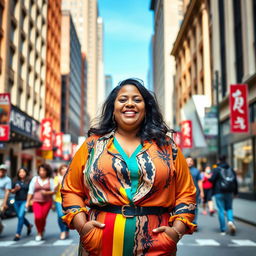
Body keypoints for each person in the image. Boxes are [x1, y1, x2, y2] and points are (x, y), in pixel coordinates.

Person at [61, 78, 197, 256]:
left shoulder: (167, 146)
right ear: (113, 107)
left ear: (146, 107)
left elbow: (186, 192)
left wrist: (175, 232)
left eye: (137, 100)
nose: (130, 104)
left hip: (157, 245)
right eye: (123, 99)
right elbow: (70, 189)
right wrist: (83, 227)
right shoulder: (93, 144)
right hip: (99, 244)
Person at [208, 155, 238, 235]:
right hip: (229, 192)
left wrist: (208, 177)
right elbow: (235, 181)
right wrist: (235, 193)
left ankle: (223, 229)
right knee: (229, 208)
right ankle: (230, 221)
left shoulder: (217, 169)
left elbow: (212, 180)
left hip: (218, 192)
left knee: (220, 210)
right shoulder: (231, 169)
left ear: (218, 160)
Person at [26, 164, 55, 241]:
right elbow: (30, 191)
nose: (42, 172)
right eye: (40, 170)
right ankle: (39, 232)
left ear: (47, 171)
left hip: (47, 202)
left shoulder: (50, 180)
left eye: (44, 170)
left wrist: (47, 193)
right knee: (38, 217)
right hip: (36, 201)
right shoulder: (35, 179)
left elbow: (53, 191)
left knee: (43, 218)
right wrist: (27, 202)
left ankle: (41, 230)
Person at [10, 167, 33, 241]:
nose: (21, 173)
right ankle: (29, 225)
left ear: (26, 173)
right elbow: (12, 191)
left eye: (23, 172)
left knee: (20, 216)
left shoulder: (29, 181)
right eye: (20, 172)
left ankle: (17, 234)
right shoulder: (15, 180)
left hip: (24, 201)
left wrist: (29, 201)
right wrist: (15, 189)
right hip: (16, 201)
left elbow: (31, 191)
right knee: (20, 217)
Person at [186, 157, 204, 226]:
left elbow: (199, 182)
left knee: (195, 207)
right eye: (188, 161)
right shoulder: (182, 170)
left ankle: (194, 222)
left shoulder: (196, 171)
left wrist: (202, 192)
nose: (189, 162)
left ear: (193, 162)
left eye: (191, 161)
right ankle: (187, 221)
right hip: (184, 192)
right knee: (185, 207)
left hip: (195, 192)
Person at [54, 164, 69, 240]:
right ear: (60, 170)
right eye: (62, 168)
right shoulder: (57, 178)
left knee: (67, 216)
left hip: (68, 200)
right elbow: (54, 190)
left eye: (65, 168)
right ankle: (62, 231)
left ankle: (67, 229)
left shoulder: (70, 178)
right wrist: (58, 184)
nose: (64, 170)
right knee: (60, 215)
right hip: (59, 200)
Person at [0, 164, 11, 235]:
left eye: (3, 171)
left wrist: (4, 203)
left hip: (2, 199)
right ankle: (1, 226)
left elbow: (7, 192)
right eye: (0, 170)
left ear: (5, 171)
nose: (1, 172)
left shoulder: (7, 180)